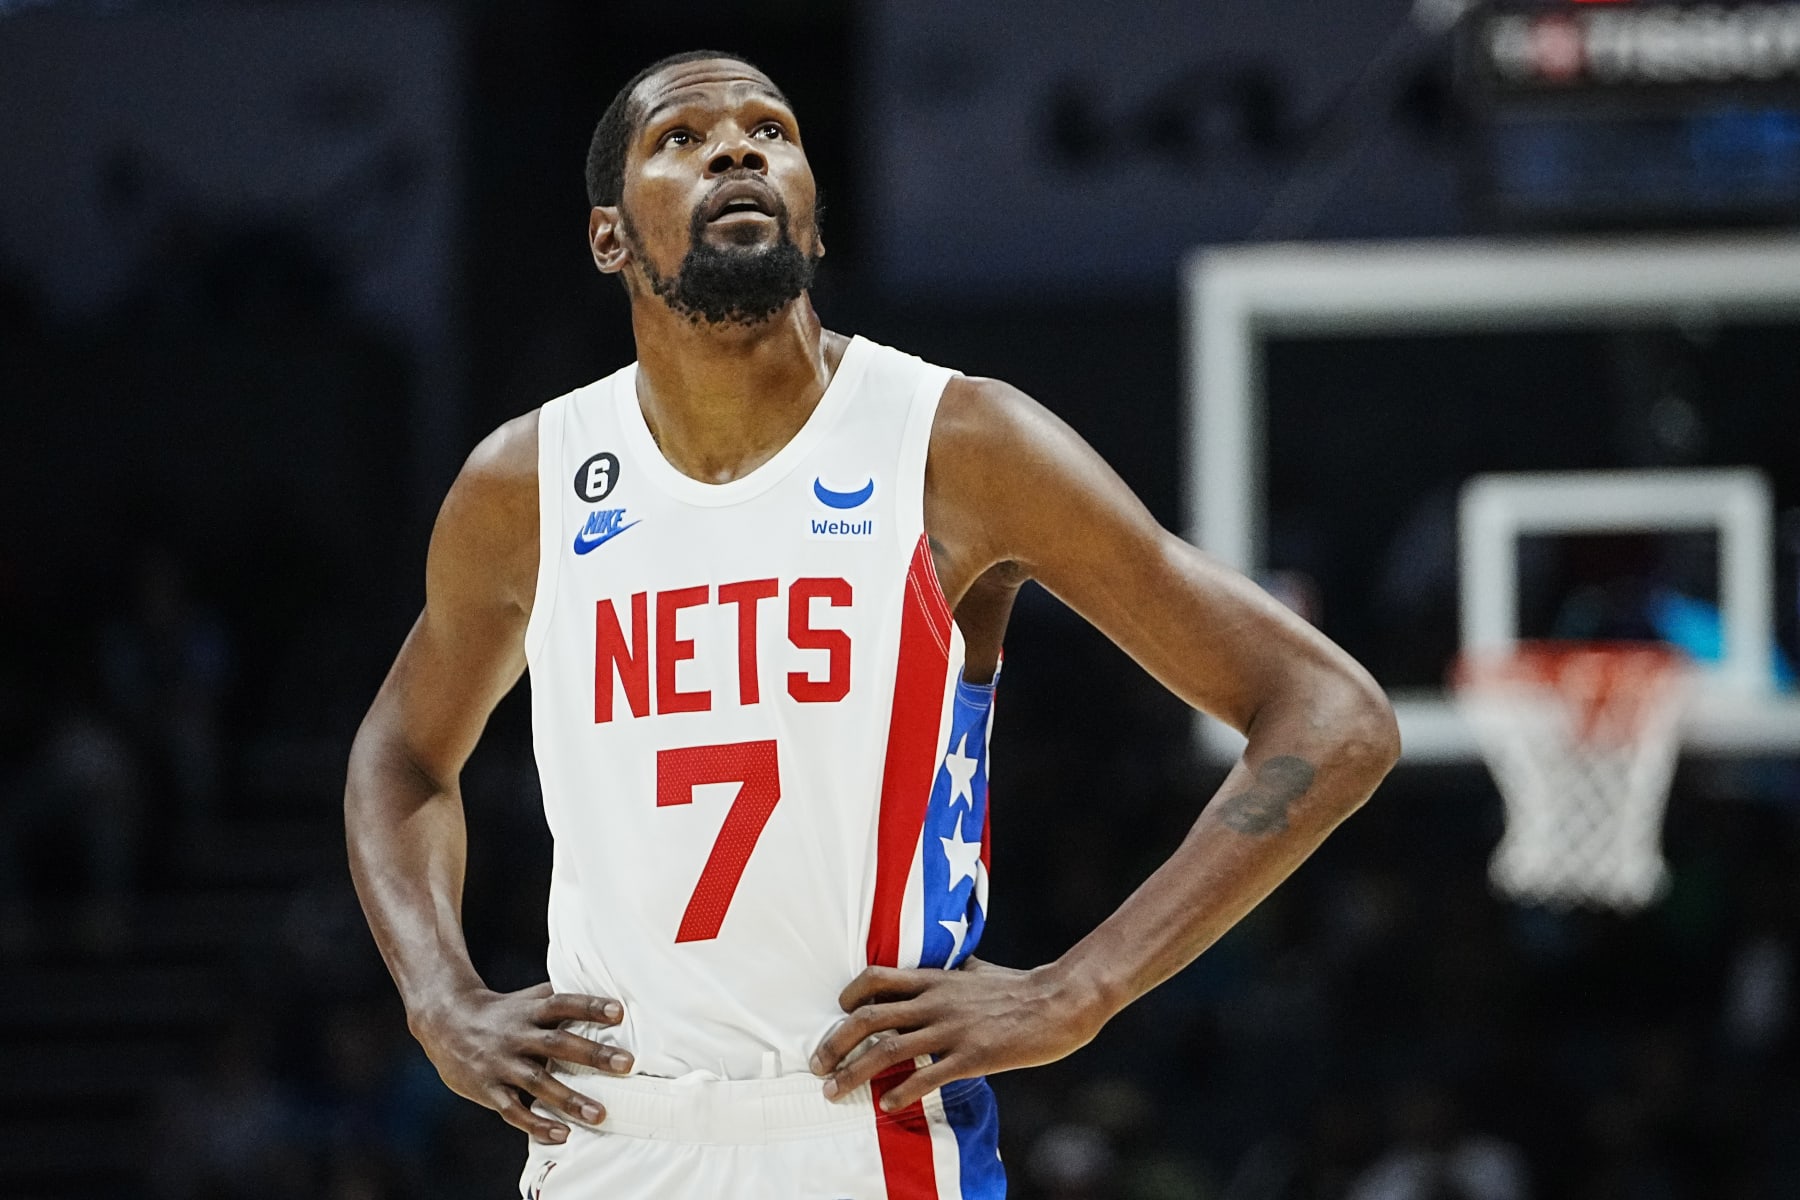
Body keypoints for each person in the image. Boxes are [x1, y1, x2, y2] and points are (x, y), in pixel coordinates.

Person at [344, 49, 1401, 1200]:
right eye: (681, 139)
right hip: (610, 1136)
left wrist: (1082, 989)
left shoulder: (958, 444)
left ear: (813, 214)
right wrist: (438, 999)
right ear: (610, 238)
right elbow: (401, 756)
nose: (738, 148)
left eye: (772, 131)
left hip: (871, 1135)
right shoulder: (527, 484)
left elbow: (1331, 714)